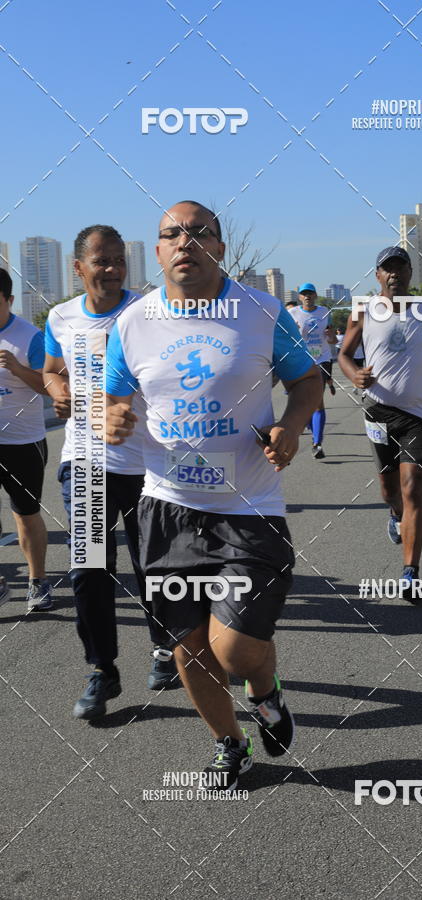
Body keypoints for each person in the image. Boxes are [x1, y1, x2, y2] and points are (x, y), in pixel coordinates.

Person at [104, 200, 321, 790]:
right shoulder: (134, 321)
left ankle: (265, 688)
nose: (184, 243)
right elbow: (116, 396)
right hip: (167, 509)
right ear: (157, 250)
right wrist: (115, 416)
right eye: (171, 234)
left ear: (219, 247)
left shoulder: (261, 311)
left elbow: (307, 378)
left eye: (198, 233)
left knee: (234, 650)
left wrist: (291, 427)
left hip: (247, 508)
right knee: (189, 647)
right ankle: (231, 742)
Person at [43, 225, 179, 720]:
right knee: (90, 567)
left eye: (120, 260)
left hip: (148, 463)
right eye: (102, 260)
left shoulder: (150, 313)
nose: (113, 269)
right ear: (78, 268)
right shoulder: (60, 317)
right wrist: (57, 388)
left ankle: (165, 648)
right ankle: (103, 669)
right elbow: (51, 368)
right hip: (84, 459)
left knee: (156, 570)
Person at [338, 247, 422, 597]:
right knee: (390, 492)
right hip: (378, 411)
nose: (394, 274)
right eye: (386, 269)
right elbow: (344, 354)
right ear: (377, 275)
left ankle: (410, 572)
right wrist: (354, 375)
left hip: (420, 415)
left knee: (412, 490)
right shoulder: (363, 311)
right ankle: (395, 516)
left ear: (410, 273)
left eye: (400, 268)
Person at [0, 268, 52, 611]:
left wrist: (18, 370)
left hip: (23, 443)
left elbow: (50, 385)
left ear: (9, 300)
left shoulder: (29, 337)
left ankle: (37, 581)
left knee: (25, 513)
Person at [287, 284, 337, 459]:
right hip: (300, 361)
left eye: (310, 293)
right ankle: (311, 426)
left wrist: (331, 335)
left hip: (321, 360)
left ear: (315, 295)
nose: (307, 296)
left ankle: (317, 444)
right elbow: (285, 338)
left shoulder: (324, 311)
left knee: (317, 402)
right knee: (302, 403)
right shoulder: (292, 314)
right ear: (300, 297)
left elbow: (332, 340)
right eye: (303, 294)